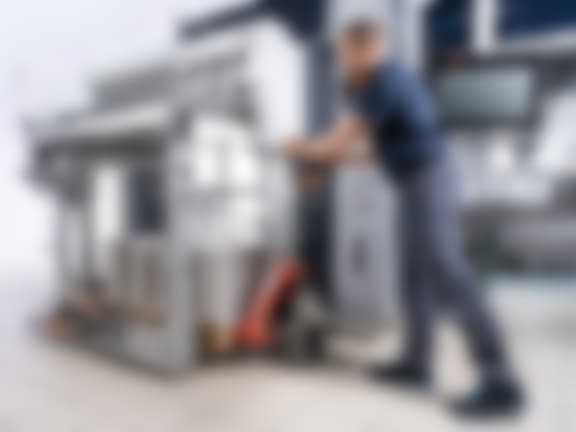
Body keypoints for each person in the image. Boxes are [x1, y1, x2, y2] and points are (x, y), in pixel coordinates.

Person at [283, 20, 524, 418]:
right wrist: (321, 156)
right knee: (415, 277)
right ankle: (417, 365)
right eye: (347, 54)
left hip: (430, 179)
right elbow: (370, 154)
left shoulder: (385, 80)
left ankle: (501, 381)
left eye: (353, 52)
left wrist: (304, 149)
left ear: (369, 49)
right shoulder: (380, 88)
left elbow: (341, 139)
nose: (349, 61)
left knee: (448, 271)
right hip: (414, 182)